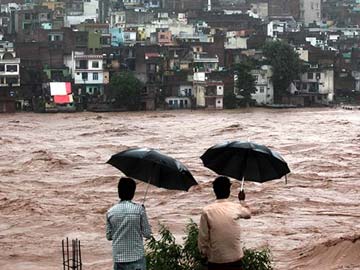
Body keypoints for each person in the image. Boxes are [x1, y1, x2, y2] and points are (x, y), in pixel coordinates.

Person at [198, 176, 251, 270]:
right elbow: (248, 214)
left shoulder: (207, 211)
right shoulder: (236, 207)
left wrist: (204, 255)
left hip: (216, 260)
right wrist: (242, 200)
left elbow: (203, 238)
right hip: (235, 258)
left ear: (214, 191)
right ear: (229, 191)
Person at [106, 177, 152, 270]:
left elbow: (109, 236)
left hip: (119, 258)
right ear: (133, 192)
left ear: (119, 191)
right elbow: (147, 234)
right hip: (137, 257)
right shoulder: (139, 210)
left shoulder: (110, 212)